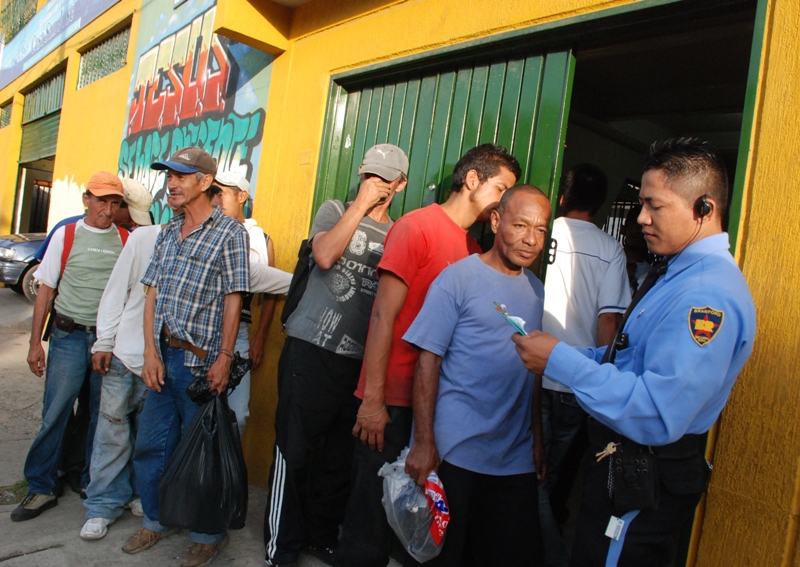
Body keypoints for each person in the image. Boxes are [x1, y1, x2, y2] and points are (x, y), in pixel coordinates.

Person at [512, 138, 757, 567]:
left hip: (645, 473)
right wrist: (565, 354)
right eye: (642, 203)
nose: (642, 217)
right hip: (622, 468)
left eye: (654, 205)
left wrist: (561, 362)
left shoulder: (705, 295)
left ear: (704, 208)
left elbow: (657, 411)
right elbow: (625, 360)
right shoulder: (677, 273)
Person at [333, 143, 522, 567]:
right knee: (369, 519)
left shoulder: (473, 249)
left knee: (415, 520)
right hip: (390, 400)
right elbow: (383, 316)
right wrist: (373, 400)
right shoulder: (416, 228)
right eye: (500, 188)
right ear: (471, 180)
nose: (503, 201)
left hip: (434, 405)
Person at [264, 144, 408, 567]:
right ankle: (281, 546)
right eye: (368, 176)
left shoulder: (400, 233)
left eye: (384, 180)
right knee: (295, 450)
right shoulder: (334, 210)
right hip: (311, 350)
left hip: (360, 363)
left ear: (400, 185)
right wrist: (360, 206)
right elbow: (325, 255)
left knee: (339, 459)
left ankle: (321, 536)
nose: (374, 185)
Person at [403, 185, 551, 566]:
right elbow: (428, 361)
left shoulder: (536, 292)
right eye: (521, 225)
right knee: (448, 556)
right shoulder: (457, 279)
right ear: (497, 221)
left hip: (514, 457)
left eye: (540, 229)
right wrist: (424, 442)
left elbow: (533, 371)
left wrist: (536, 437)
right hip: (456, 453)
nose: (531, 239)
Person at [124, 147, 249, 567]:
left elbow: (234, 298)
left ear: (205, 182)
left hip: (201, 364)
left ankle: (206, 534)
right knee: (152, 445)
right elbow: (152, 294)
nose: (171, 184)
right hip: (163, 357)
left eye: (180, 176)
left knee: (203, 453)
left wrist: (225, 356)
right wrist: (150, 351)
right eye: (169, 176)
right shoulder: (167, 231)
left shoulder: (230, 233)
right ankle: (157, 519)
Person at [12, 172, 127, 521]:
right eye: (101, 200)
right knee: (56, 412)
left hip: (106, 343)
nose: (107, 209)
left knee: (97, 415)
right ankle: (42, 485)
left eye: (114, 203)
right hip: (68, 337)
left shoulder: (125, 239)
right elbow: (45, 291)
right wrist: (35, 344)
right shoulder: (67, 234)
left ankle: (86, 477)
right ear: (86, 199)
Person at [539, 164, 631, 566]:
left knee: (525, 465)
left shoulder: (543, 231)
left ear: (561, 196)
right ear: (601, 205)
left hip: (531, 370)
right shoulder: (611, 249)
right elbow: (608, 321)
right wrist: (604, 381)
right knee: (554, 474)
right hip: (575, 382)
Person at [80, 179, 155, 540]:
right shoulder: (141, 239)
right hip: (124, 354)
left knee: (146, 434)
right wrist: (105, 342)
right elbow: (114, 294)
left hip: (157, 360)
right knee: (112, 431)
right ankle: (102, 505)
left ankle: (137, 494)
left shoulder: (177, 239)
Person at [210, 172, 277, 435]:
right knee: (197, 410)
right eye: (213, 193)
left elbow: (271, 292)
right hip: (203, 329)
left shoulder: (261, 240)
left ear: (242, 196)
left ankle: (225, 463)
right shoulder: (205, 231)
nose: (217, 199)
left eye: (223, 193)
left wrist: (260, 338)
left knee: (237, 416)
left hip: (238, 333)